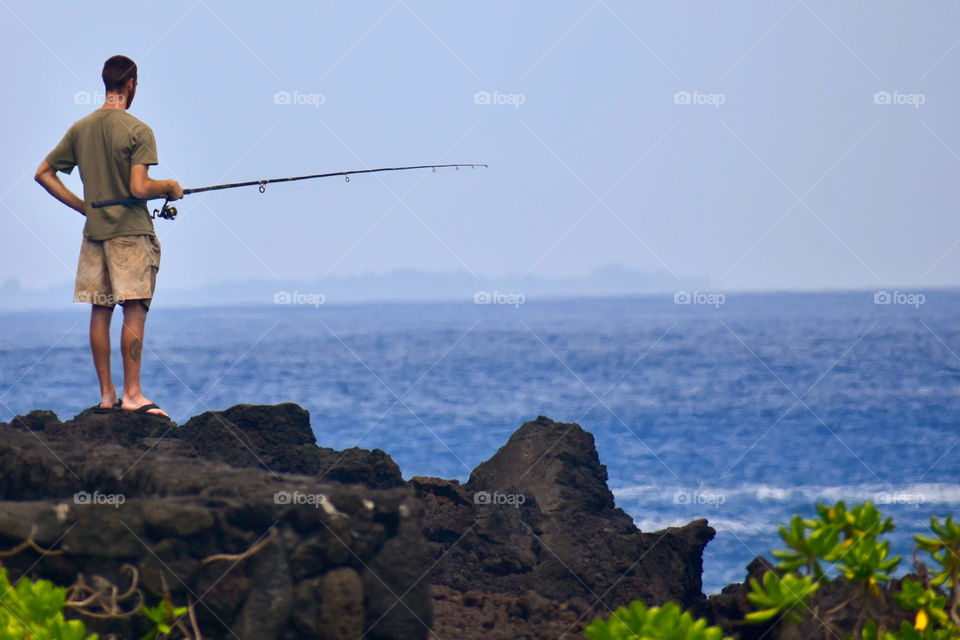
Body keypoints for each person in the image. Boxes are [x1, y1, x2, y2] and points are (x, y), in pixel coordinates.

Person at [34, 55, 182, 417]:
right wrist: (170, 187)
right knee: (133, 312)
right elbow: (138, 186)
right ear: (131, 84)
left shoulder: (81, 128)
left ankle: (107, 395)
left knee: (100, 311)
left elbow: (44, 173)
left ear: (106, 83)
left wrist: (84, 207)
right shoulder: (138, 130)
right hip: (131, 235)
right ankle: (132, 395)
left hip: (94, 235)